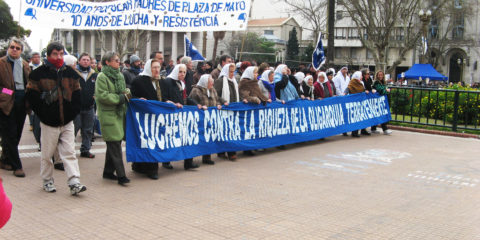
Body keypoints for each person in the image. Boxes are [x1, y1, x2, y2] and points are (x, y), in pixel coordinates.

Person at [26, 42, 87, 194]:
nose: (58, 57)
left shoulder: (71, 74)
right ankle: (47, 180)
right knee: (47, 154)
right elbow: (32, 98)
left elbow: (78, 96)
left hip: (67, 121)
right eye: (55, 54)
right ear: (48, 55)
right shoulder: (37, 74)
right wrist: (44, 115)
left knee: (69, 152)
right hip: (48, 122)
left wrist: (72, 113)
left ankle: (74, 181)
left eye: (61, 54)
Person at [95, 51, 131, 185]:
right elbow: (103, 96)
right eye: (116, 60)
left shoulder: (120, 75)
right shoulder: (102, 76)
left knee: (113, 142)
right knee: (115, 143)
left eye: (118, 60)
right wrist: (120, 98)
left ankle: (108, 172)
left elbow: (124, 90)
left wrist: (127, 93)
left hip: (119, 113)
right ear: (107, 62)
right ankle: (121, 175)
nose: (119, 62)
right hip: (108, 114)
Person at [163, 64, 202, 170]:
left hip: (182, 115)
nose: (182, 74)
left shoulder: (182, 83)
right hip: (171, 115)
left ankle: (188, 162)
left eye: (184, 72)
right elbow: (164, 98)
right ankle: (166, 161)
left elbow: (185, 98)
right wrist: (172, 104)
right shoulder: (167, 81)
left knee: (187, 138)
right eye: (180, 71)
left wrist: (196, 104)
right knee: (171, 139)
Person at [0, 38, 30, 177]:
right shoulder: (1, 63)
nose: (14, 50)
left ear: (21, 51)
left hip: (22, 101)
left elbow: (29, 82)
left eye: (17, 48)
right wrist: (8, 93)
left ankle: (5, 158)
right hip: (6, 102)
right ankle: (17, 166)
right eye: (12, 47)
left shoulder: (24, 64)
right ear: (8, 48)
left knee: (16, 133)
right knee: (10, 134)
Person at [130, 59, 164, 179]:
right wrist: (138, 99)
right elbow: (131, 95)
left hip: (158, 117)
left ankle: (141, 166)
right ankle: (151, 170)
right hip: (145, 118)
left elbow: (164, 97)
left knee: (154, 143)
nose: (156, 70)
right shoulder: (139, 80)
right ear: (149, 68)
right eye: (154, 67)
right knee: (147, 143)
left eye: (158, 67)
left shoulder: (161, 81)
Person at [188, 74, 227, 165]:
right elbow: (191, 102)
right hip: (199, 119)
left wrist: (218, 104)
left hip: (210, 118)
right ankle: (190, 160)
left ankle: (207, 157)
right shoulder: (196, 90)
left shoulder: (212, 89)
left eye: (212, 82)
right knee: (197, 138)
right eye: (210, 82)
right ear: (205, 82)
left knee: (208, 137)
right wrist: (199, 106)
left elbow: (216, 99)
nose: (212, 84)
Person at [214, 63, 239, 160]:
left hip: (233, 110)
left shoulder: (234, 81)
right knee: (224, 132)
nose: (232, 74)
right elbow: (216, 95)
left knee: (232, 131)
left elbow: (237, 94)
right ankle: (229, 153)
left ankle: (229, 151)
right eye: (231, 71)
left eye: (234, 72)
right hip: (223, 110)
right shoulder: (220, 81)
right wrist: (223, 102)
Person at [74, 53, 97, 158]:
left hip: (89, 107)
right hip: (76, 108)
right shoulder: (74, 73)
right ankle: (69, 151)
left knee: (88, 130)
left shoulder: (94, 74)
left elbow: (97, 88)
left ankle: (85, 150)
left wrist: (96, 95)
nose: (86, 61)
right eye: (83, 60)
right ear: (79, 61)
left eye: (88, 60)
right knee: (73, 129)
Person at [345, 71, 369, 138]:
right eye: (361, 76)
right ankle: (354, 132)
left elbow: (362, 90)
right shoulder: (352, 82)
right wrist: (344, 94)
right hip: (354, 102)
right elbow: (348, 88)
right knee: (354, 117)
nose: (362, 77)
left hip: (360, 102)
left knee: (359, 117)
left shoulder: (361, 83)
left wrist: (365, 91)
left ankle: (360, 130)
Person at [372, 70, 393, 135]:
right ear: (377, 75)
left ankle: (373, 128)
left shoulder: (383, 82)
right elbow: (380, 90)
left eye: (381, 75)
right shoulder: (376, 82)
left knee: (379, 114)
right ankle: (385, 129)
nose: (380, 76)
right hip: (377, 101)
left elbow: (385, 88)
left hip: (382, 101)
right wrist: (386, 91)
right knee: (380, 114)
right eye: (379, 75)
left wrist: (386, 90)